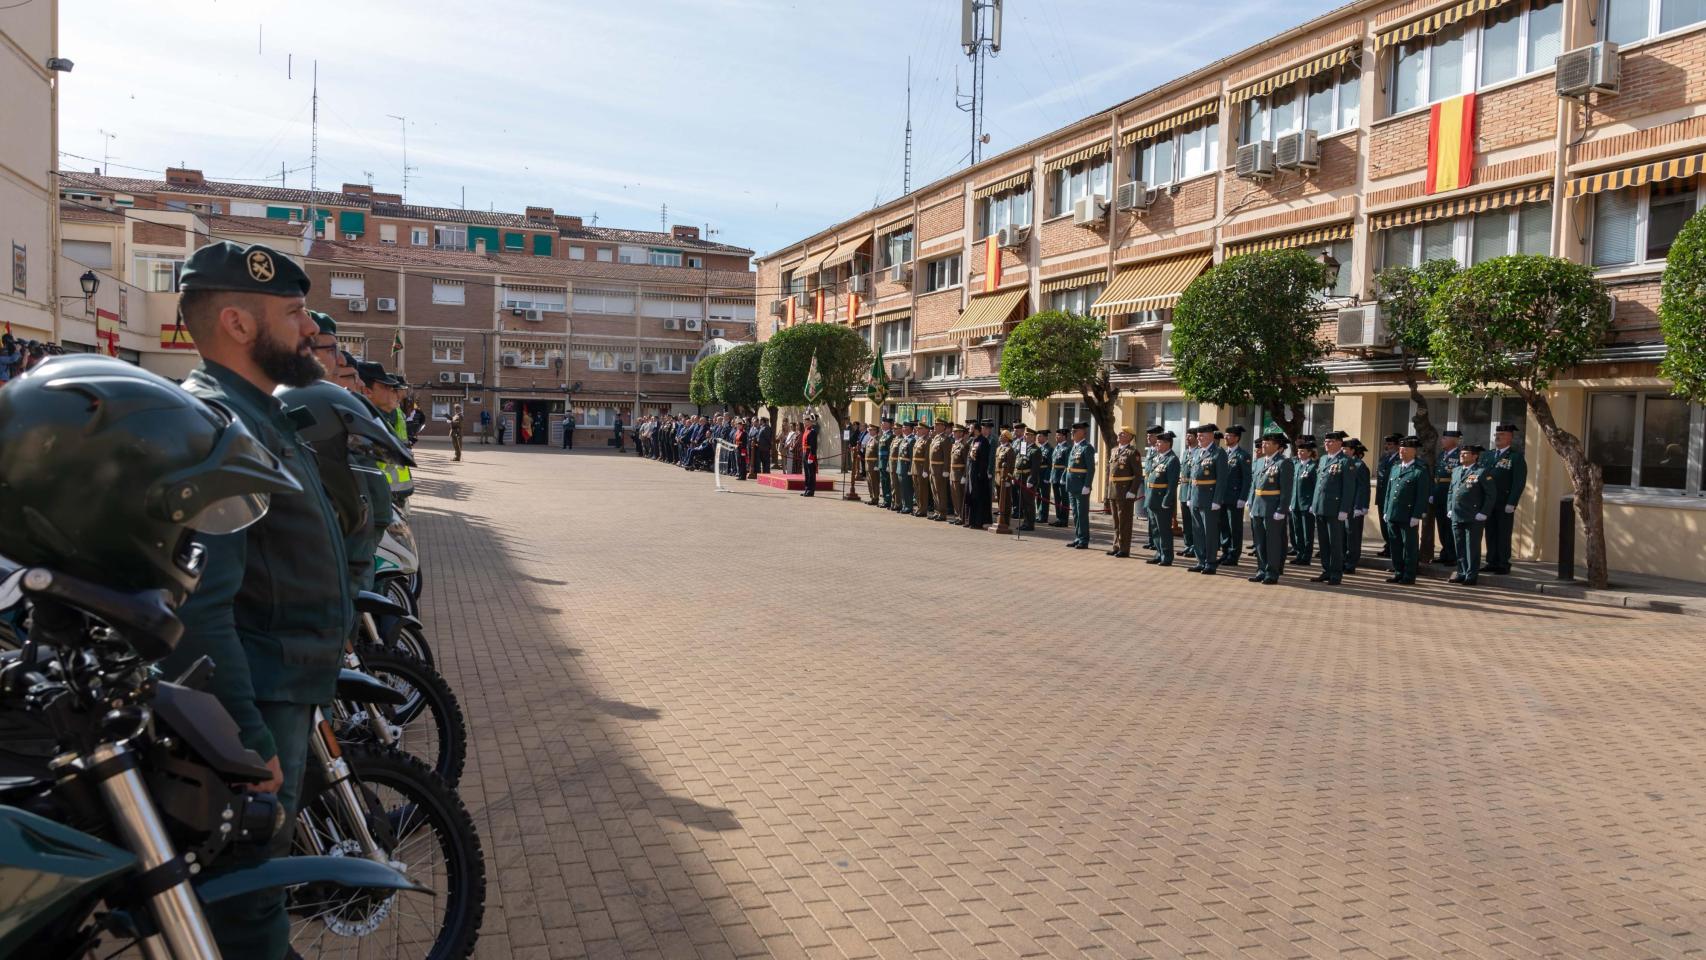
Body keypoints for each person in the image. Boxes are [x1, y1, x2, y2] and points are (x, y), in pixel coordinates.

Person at [154, 241, 353, 958]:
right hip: (260, 695)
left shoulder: (256, 417)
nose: (310, 329)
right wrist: (245, 741)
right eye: (294, 312)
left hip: (281, 682)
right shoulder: (219, 427)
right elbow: (202, 607)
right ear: (237, 324)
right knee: (250, 895)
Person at [1382, 436, 1432, 584]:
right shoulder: (1395, 467)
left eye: (1405, 449)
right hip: (1393, 513)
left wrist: (1416, 515)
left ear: (1413, 451)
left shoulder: (1419, 470)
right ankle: (1398, 572)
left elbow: (1422, 495)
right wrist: (1386, 510)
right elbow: (1389, 491)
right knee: (1395, 545)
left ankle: (1409, 575)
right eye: (1400, 449)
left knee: (1409, 547)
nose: (1401, 452)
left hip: (1408, 515)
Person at [1248, 431, 1294, 585]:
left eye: (1267, 443)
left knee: (1272, 542)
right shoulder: (1260, 461)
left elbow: (1286, 490)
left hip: (1273, 508)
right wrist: (1251, 502)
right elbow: (1254, 485)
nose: (1264, 445)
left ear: (1277, 446)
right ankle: (1261, 570)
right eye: (1263, 443)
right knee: (1259, 542)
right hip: (1258, 507)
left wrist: (1281, 509)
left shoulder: (1283, 463)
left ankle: (1272, 572)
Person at [1309, 431, 1356, 585]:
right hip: (1321, 506)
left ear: (1339, 443)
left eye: (1330, 441)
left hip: (1335, 509)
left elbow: (1348, 488)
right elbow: (1319, 484)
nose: (1326, 444)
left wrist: (1344, 509)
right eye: (1326, 441)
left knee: (1335, 543)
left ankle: (1336, 574)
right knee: (1323, 542)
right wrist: (1314, 503)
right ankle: (1326, 570)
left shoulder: (1346, 461)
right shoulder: (1323, 459)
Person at [1184, 425, 1230, 574]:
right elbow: (1192, 477)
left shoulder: (1218, 453)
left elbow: (1222, 479)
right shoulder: (1197, 452)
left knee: (1210, 532)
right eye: (1198, 435)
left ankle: (1210, 563)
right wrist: (1189, 496)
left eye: (1202, 435)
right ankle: (1200, 560)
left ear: (1210, 436)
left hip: (1210, 498)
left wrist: (1217, 500)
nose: (1198, 438)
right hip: (1196, 497)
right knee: (1197, 531)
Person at [1447, 444, 1495, 585]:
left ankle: (1471, 575)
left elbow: (1491, 494)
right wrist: (1449, 508)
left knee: (1471, 547)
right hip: (1457, 514)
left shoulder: (1481, 472)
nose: (1461, 455)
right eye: (1461, 453)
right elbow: (1451, 491)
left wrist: (1484, 512)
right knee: (1459, 545)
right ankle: (1461, 572)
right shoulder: (1456, 470)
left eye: (1465, 453)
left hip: (1473, 516)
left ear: (1475, 456)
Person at [1482, 423, 1526, 574]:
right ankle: (1491, 561)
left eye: (1502, 435)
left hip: (1504, 501)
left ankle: (1503, 563)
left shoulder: (1515, 457)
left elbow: (1518, 482)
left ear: (1510, 438)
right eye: (1497, 435)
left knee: (1503, 532)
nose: (1498, 437)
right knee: (1490, 532)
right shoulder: (1487, 455)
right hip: (1488, 501)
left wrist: (1512, 502)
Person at [1145, 431, 1181, 566]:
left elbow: (1172, 484)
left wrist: (1167, 500)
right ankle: (1159, 553)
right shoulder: (1157, 457)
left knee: (1164, 530)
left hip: (1162, 500)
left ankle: (1167, 556)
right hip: (1152, 498)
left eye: (1159, 442)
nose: (1157, 444)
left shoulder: (1172, 460)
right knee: (1155, 529)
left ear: (1167, 444)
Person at [1219, 426, 1251, 566]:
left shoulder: (1243, 455)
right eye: (1225, 435)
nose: (1226, 438)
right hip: (1222, 497)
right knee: (1224, 527)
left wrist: (1243, 498)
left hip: (1235, 497)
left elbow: (1247, 479)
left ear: (1237, 438)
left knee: (1235, 528)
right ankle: (1225, 552)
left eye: (1229, 435)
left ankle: (1234, 555)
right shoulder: (1222, 454)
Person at [1430, 429, 1462, 566]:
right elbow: (1436, 476)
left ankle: (1453, 555)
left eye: (1445, 438)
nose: (1442, 441)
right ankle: (1445, 553)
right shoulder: (1442, 455)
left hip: (1450, 494)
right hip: (1439, 494)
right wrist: (1432, 493)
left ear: (1453, 440)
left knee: (1450, 526)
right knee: (1441, 526)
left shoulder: (1460, 455)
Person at [1107, 426, 1140, 557]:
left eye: (1123, 434)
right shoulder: (1114, 450)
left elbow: (1138, 474)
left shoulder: (1133, 452)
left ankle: (1124, 549)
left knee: (1124, 522)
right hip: (1113, 490)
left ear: (1129, 437)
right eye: (1119, 433)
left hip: (1125, 491)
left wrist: (1132, 491)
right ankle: (1116, 546)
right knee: (1116, 521)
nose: (1119, 435)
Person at [1065, 421, 1095, 548]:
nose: (1072, 433)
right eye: (1072, 431)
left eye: (1075, 431)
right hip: (1072, 485)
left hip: (1081, 485)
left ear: (1082, 432)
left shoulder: (1087, 447)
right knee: (1076, 514)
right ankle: (1078, 537)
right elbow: (1070, 466)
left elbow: (1091, 468)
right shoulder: (1075, 446)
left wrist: (1087, 485)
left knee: (1082, 514)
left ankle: (1084, 540)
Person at [1289, 438, 1318, 565]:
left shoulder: (1313, 467)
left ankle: (1306, 557)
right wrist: (1291, 502)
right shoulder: (1296, 465)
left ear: (1309, 453)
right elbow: (1292, 486)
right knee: (1298, 531)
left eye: (1302, 451)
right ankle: (1299, 554)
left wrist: (1313, 504)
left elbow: (1316, 487)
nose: (1299, 453)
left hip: (1307, 505)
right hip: (1295, 504)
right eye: (1298, 451)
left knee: (1307, 533)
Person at [1345, 440, 1372, 574]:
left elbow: (1363, 488)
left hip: (1354, 506)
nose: (1343, 451)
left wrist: (1360, 506)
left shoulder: (1360, 466)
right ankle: (1343, 561)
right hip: (1343, 506)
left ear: (1352, 451)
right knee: (1343, 536)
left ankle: (1351, 563)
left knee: (1353, 536)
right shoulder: (1343, 463)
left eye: (1345, 449)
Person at [1375, 434, 1400, 556]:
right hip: (1381, 495)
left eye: (1390, 444)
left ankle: (1394, 548)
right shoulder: (1384, 457)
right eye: (1386, 444)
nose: (1387, 446)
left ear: (1398, 446)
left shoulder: (1400, 459)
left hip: (1391, 496)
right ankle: (1388, 546)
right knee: (1383, 524)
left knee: (1391, 525)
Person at [967, 421, 992, 530]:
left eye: (971, 429)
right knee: (972, 497)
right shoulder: (973, 440)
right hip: (971, 473)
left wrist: (981, 473)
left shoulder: (983, 441)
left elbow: (984, 459)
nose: (969, 430)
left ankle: (978, 521)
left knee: (978, 498)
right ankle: (971, 520)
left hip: (979, 475)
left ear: (976, 430)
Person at [1179, 426, 1199, 558]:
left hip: (1193, 490)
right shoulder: (1186, 452)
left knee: (1194, 522)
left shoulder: (1198, 452)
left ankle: (1195, 547)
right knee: (1186, 521)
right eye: (1186, 436)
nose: (1187, 438)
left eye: (1190, 436)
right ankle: (1188, 545)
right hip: (1184, 489)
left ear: (1196, 438)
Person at [929, 420, 951, 521]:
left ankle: (942, 513)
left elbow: (947, 456)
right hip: (933, 468)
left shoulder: (945, 439)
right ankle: (937, 511)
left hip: (940, 469)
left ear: (943, 427)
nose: (935, 427)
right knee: (934, 491)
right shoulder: (936, 438)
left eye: (937, 425)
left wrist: (946, 470)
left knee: (941, 491)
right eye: (935, 425)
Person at [1049, 427, 1071, 527]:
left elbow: (1067, 465)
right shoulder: (1057, 447)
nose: (1056, 437)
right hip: (1055, 475)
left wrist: (1064, 477)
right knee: (1057, 499)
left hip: (1062, 476)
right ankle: (1058, 518)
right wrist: (1051, 475)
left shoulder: (1067, 448)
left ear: (1064, 436)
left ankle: (1064, 520)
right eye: (1056, 435)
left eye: (1058, 435)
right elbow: (1053, 464)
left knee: (1064, 499)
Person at [948, 421, 969, 524]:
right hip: (953, 474)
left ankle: (961, 517)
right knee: (955, 497)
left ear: (961, 433)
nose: (953, 433)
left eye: (956, 432)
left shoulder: (964, 445)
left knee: (960, 497)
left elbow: (966, 462)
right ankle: (957, 516)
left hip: (960, 474)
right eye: (953, 431)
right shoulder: (955, 444)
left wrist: (964, 475)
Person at [913, 420, 934, 519]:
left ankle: (923, 509)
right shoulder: (918, 440)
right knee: (917, 490)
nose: (917, 430)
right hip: (915, 468)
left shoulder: (928, 440)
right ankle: (919, 508)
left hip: (922, 468)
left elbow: (927, 457)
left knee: (923, 491)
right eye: (917, 429)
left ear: (926, 430)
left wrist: (925, 470)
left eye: (920, 429)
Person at [862, 420, 882, 504]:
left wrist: (877, 465)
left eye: (871, 430)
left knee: (874, 482)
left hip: (873, 464)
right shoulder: (870, 439)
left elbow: (879, 454)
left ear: (875, 430)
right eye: (869, 430)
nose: (869, 431)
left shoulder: (878, 440)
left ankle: (875, 498)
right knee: (869, 481)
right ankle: (872, 497)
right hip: (868, 464)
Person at [800, 413, 819, 496]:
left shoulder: (813, 432)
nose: (804, 423)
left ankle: (811, 491)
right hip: (805, 453)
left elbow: (814, 445)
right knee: (807, 473)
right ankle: (807, 489)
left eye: (805, 421)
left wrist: (811, 456)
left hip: (809, 453)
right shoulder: (806, 430)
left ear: (810, 422)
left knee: (811, 473)